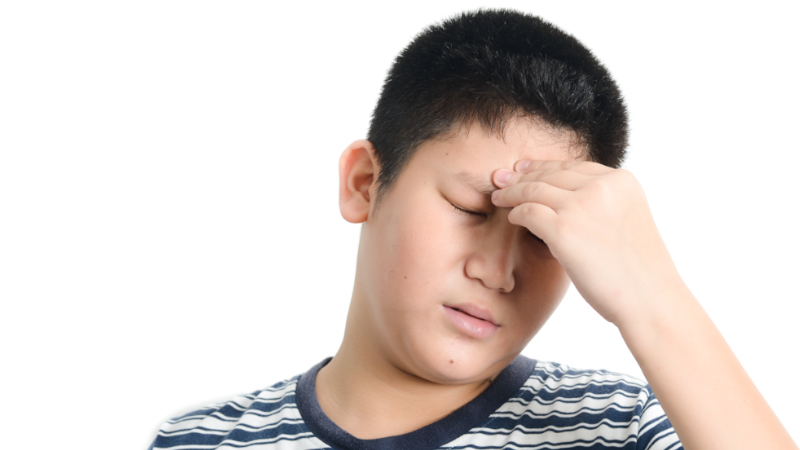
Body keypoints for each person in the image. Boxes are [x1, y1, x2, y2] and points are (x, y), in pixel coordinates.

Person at [149, 9, 797, 450]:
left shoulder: (626, 426)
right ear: (363, 184)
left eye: (543, 236)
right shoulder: (203, 439)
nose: (497, 270)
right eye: (469, 209)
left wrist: (654, 296)